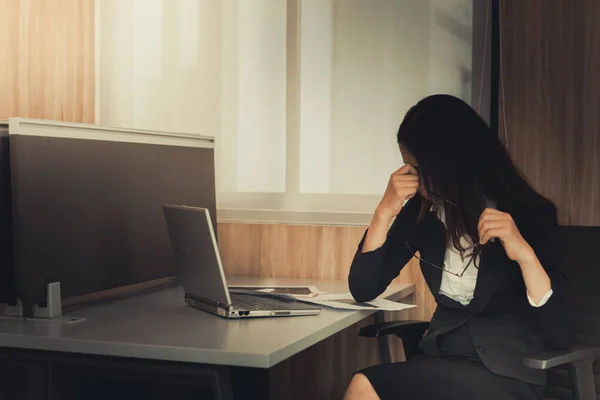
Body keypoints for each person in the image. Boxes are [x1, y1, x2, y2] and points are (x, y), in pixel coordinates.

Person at [343, 95, 572, 400]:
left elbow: (559, 333)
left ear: (446, 164)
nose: (411, 178)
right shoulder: (422, 214)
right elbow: (363, 287)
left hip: (505, 373)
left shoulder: (529, 213)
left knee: (365, 386)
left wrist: (524, 253)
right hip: (440, 360)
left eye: (416, 168)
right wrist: (384, 211)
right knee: (364, 385)